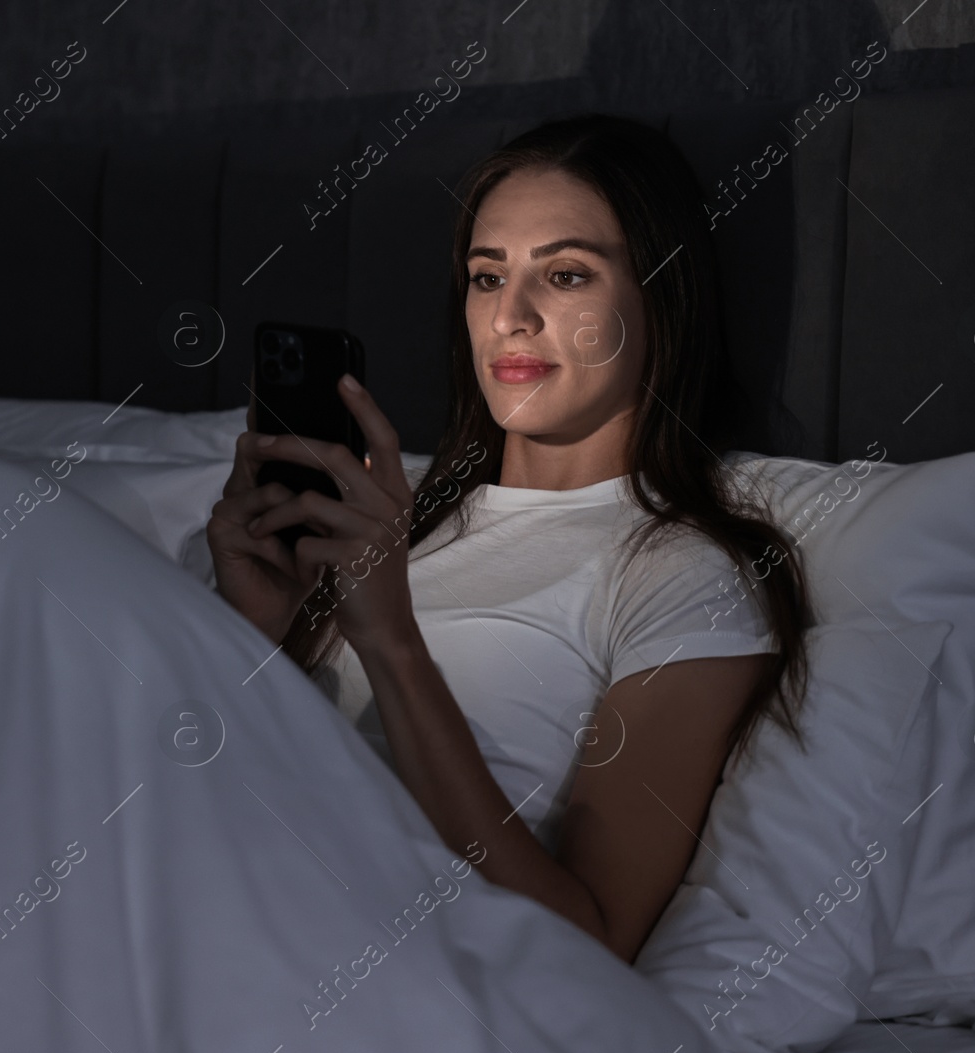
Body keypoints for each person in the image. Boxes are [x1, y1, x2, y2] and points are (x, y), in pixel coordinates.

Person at [207, 113, 813, 967]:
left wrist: (393, 643)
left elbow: (587, 940)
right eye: (487, 278)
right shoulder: (390, 523)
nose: (511, 317)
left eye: (565, 275)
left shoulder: (680, 573)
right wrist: (253, 633)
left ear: (658, 298)